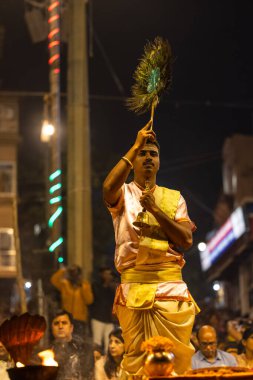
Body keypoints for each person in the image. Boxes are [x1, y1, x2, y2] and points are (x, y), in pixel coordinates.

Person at [103, 120, 199, 376]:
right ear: (133, 161)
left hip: (170, 289)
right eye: (142, 154)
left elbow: (186, 240)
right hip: (133, 287)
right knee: (135, 359)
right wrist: (134, 145)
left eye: (152, 154)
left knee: (176, 361)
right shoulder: (123, 193)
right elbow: (107, 188)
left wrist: (155, 209)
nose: (147, 157)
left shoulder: (173, 198)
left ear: (159, 162)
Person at [43, 309, 94, 380]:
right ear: (52, 328)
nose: (60, 326)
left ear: (71, 328)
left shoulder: (83, 349)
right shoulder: (46, 353)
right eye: (56, 323)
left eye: (64, 323)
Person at [50, 265, 94, 338]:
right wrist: (64, 270)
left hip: (80, 319)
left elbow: (89, 301)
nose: (74, 276)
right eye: (72, 273)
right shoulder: (65, 284)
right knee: (66, 338)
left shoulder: (85, 285)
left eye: (76, 273)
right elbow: (53, 280)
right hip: (66, 318)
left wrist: (82, 287)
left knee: (79, 340)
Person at [90, 267, 117, 353]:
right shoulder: (95, 285)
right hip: (98, 317)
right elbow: (97, 297)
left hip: (109, 319)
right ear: (101, 274)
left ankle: (108, 363)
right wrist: (106, 284)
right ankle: (96, 363)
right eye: (106, 274)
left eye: (110, 274)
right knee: (97, 342)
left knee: (109, 342)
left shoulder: (112, 288)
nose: (108, 276)